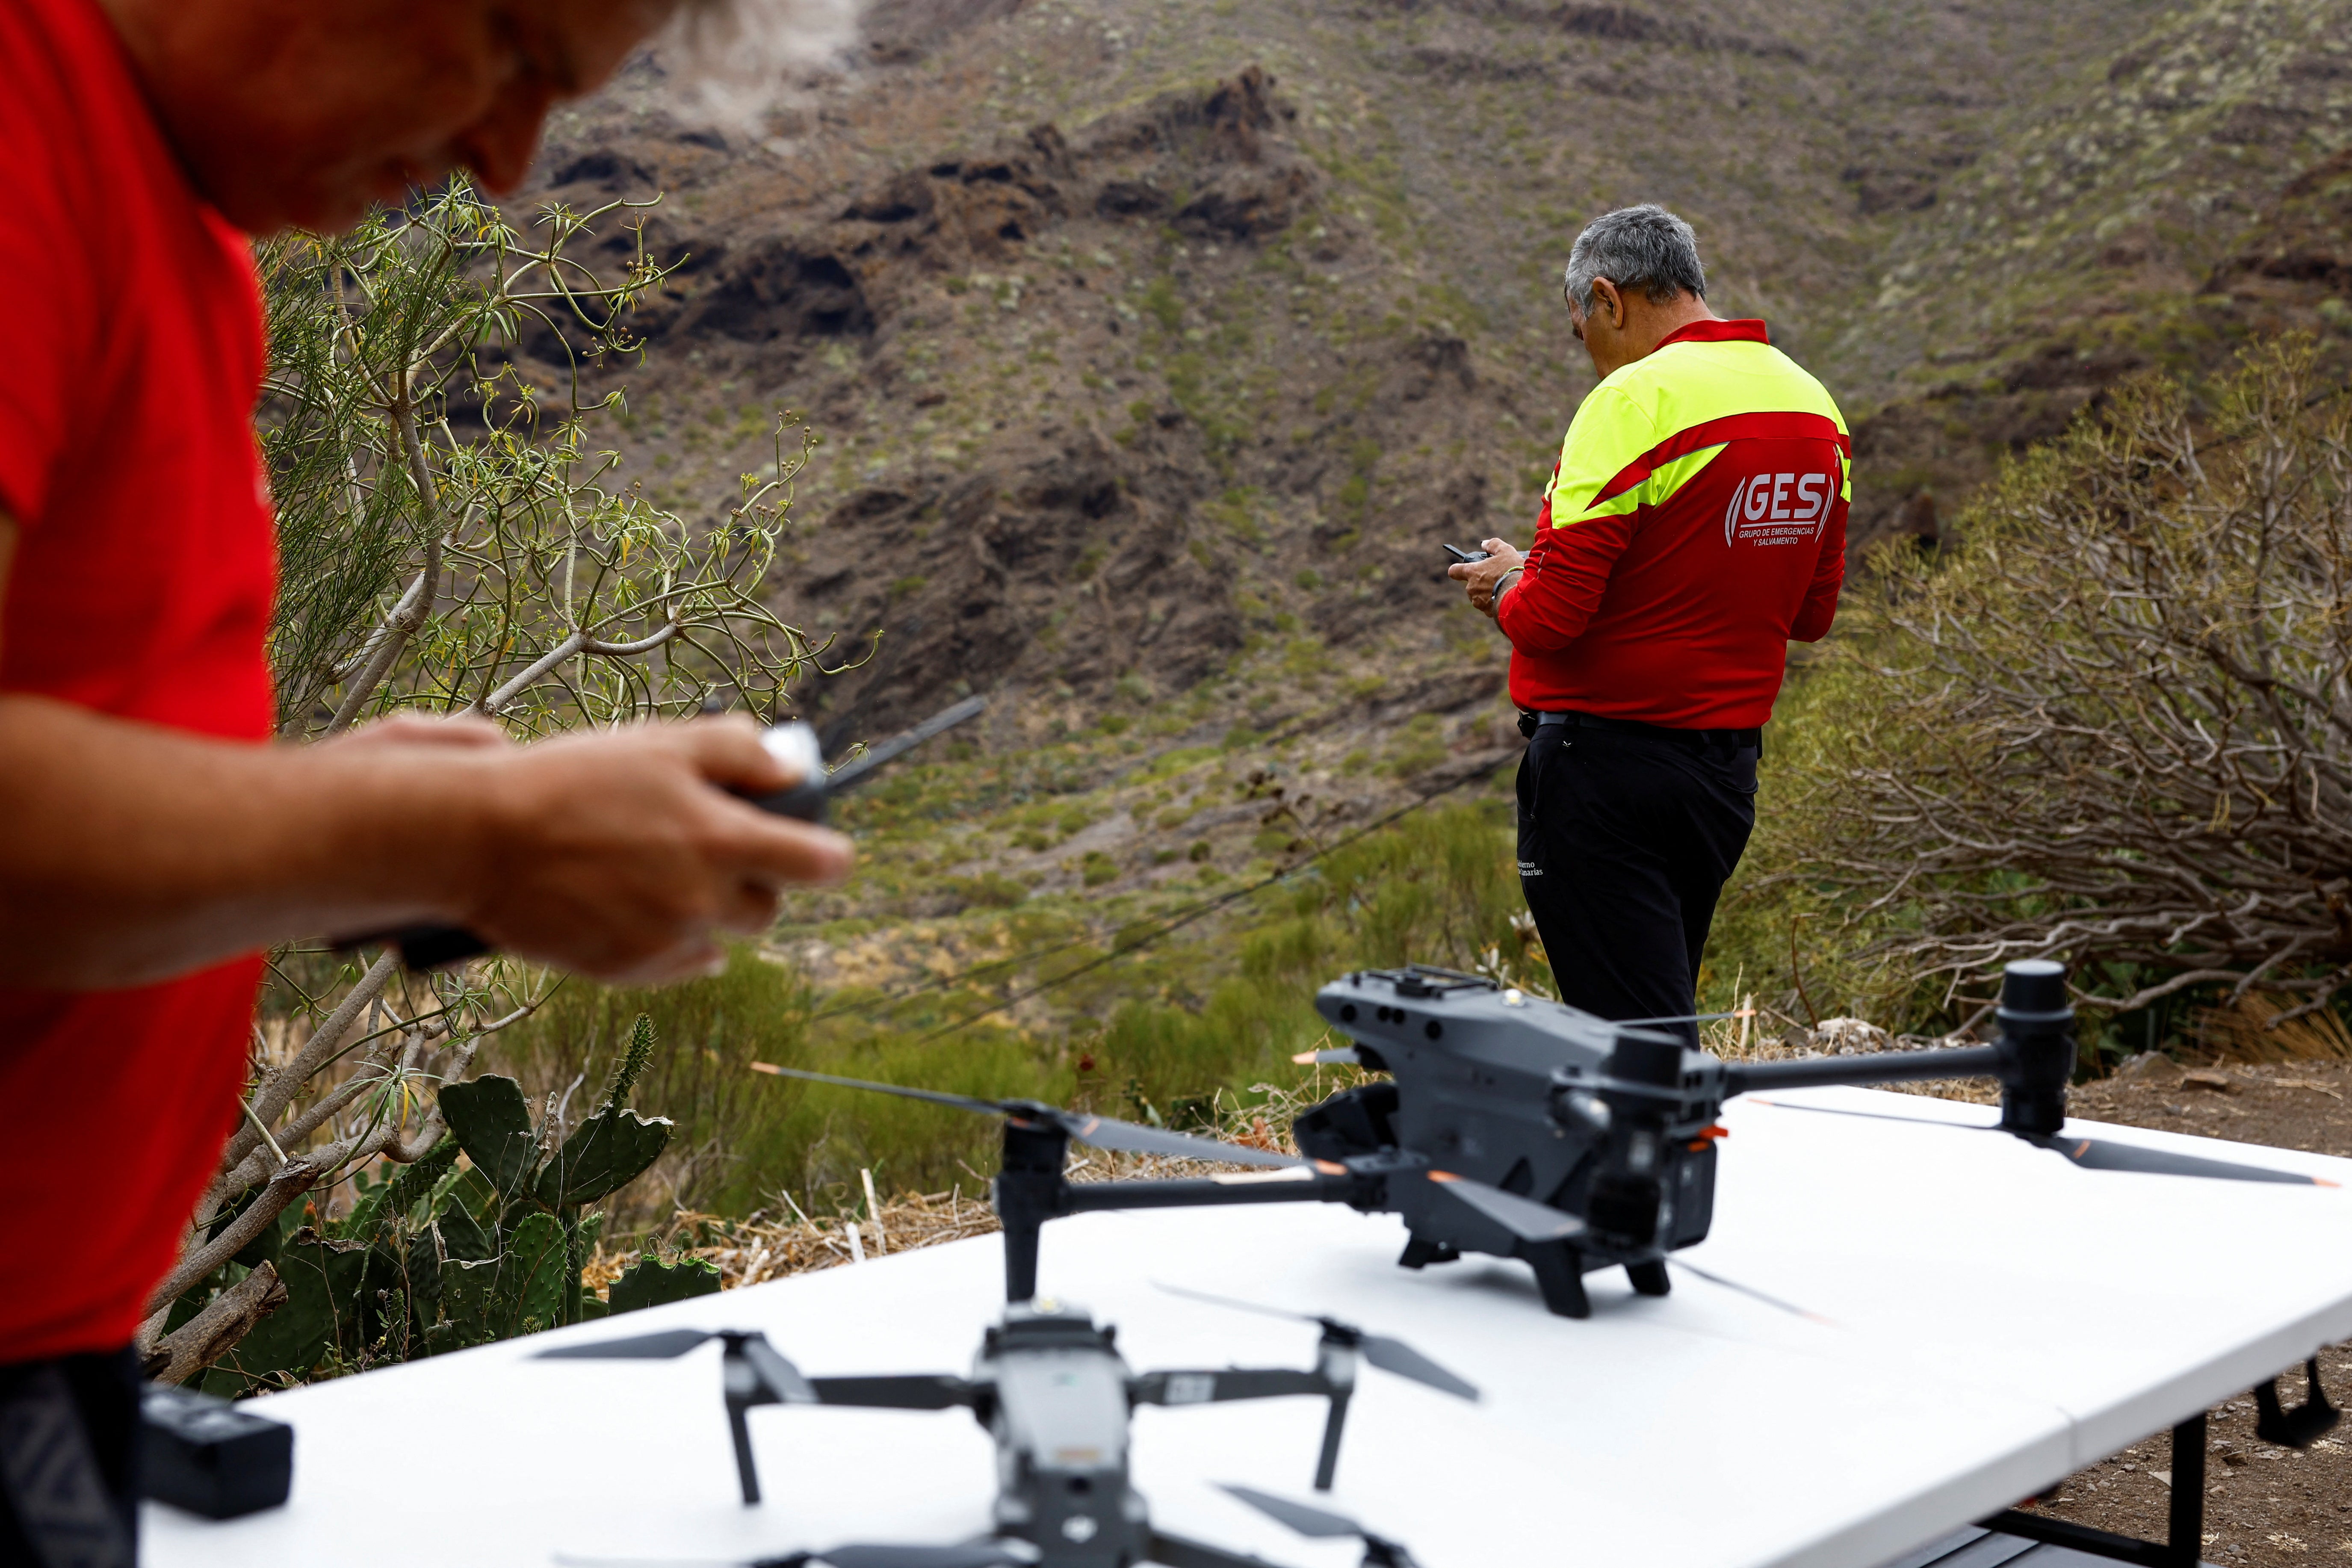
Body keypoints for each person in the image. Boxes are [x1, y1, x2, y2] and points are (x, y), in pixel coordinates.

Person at [0, 0, 846, 1557]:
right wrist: (445, 834)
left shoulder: (170, 215)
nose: (510, 164)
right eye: (513, 49)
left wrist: (332, 820)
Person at [1448, 204, 1847, 1045]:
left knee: (1634, 1047)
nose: (1587, 352)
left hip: (1603, 776)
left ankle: (1662, 1173)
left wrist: (1508, 582)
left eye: (1579, 330)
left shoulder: (1629, 402)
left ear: (1607, 299)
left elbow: (1549, 620)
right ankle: (1668, 1161)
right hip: (1722, 776)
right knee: (1657, 1009)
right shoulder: (1811, 404)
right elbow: (1808, 613)